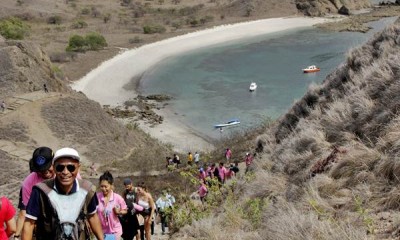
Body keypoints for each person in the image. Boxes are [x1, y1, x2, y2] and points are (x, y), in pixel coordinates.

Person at [22, 147, 104, 240]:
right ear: (54, 167)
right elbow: (29, 223)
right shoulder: (40, 192)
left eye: (71, 167)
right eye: (60, 167)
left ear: (78, 167)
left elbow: (93, 216)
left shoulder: (86, 190)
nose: (65, 172)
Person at [15, 147, 55, 239]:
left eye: (48, 168)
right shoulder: (29, 183)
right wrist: (17, 236)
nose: (46, 173)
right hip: (43, 225)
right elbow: (25, 214)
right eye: (41, 170)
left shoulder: (67, 172)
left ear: (54, 162)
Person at [97, 171, 127, 240]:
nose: (103, 189)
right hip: (102, 232)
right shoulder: (97, 197)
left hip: (115, 231)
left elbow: (125, 210)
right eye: (102, 186)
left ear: (111, 185)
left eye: (106, 186)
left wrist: (118, 212)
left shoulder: (117, 198)